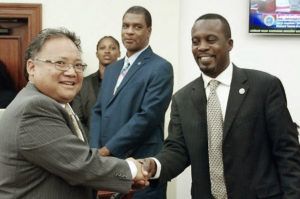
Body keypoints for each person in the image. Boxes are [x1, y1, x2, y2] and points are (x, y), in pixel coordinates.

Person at [141, 13, 300, 199]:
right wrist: (154, 165)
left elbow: (287, 152)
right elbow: (177, 150)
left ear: (230, 44)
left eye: (211, 40)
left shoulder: (264, 87)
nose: (202, 47)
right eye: (195, 41)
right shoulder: (182, 99)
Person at [0, 28, 148, 199]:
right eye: (60, 63)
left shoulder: (59, 105)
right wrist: (131, 169)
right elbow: (80, 164)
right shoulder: (34, 107)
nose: (71, 72)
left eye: (78, 65)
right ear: (32, 68)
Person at [89, 6, 173, 199]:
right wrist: (94, 152)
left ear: (148, 31)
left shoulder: (161, 68)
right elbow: (98, 111)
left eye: (137, 27)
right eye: (125, 26)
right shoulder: (112, 69)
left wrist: (107, 150)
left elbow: (147, 116)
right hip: (106, 168)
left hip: (142, 168)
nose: (129, 31)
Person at [71, 36, 120, 135]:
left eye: (112, 48)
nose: (107, 51)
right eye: (102, 48)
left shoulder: (129, 83)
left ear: (119, 53)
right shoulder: (82, 84)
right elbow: (77, 120)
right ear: (97, 54)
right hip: (91, 146)